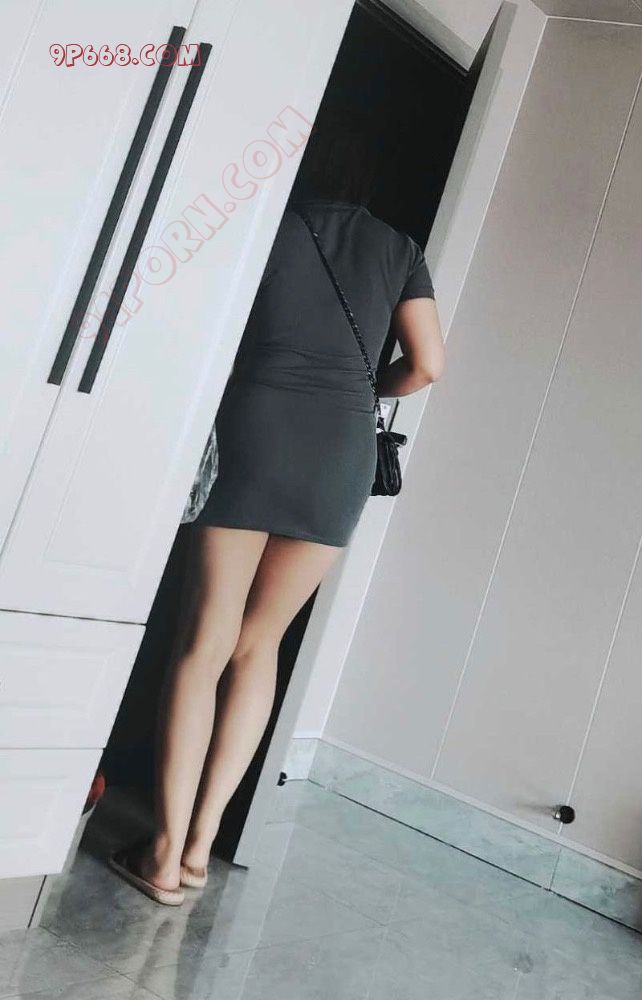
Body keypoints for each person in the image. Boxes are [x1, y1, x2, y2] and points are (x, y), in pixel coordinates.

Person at [108, 122, 445, 904]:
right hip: (340, 451)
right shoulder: (400, 248)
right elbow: (428, 365)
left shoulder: (264, 224)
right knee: (260, 646)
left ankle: (159, 854)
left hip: (256, 429)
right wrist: (361, 392)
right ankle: (199, 850)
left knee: (205, 642)